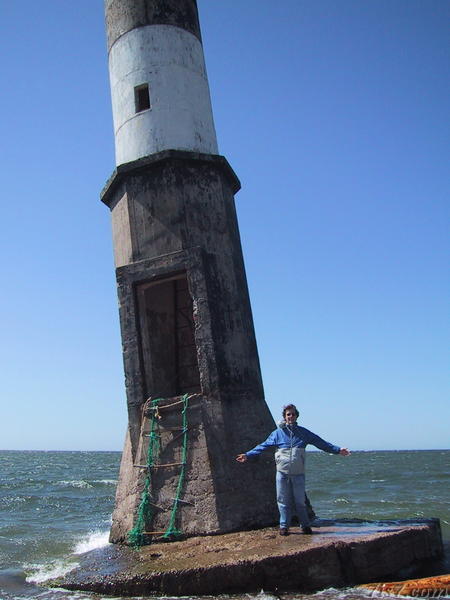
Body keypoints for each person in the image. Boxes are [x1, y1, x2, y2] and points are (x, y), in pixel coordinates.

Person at [236, 404, 350, 536]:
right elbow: (263, 446)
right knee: (283, 501)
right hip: (282, 474)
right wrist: (247, 455)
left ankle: (305, 526)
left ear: (296, 416)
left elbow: (321, 443)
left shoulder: (304, 433)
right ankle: (284, 526)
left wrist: (338, 450)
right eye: (288, 414)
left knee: (300, 502)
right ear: (284, 417)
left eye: (293, 414)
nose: (291, 416)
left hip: (298, 474)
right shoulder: (277, 434)